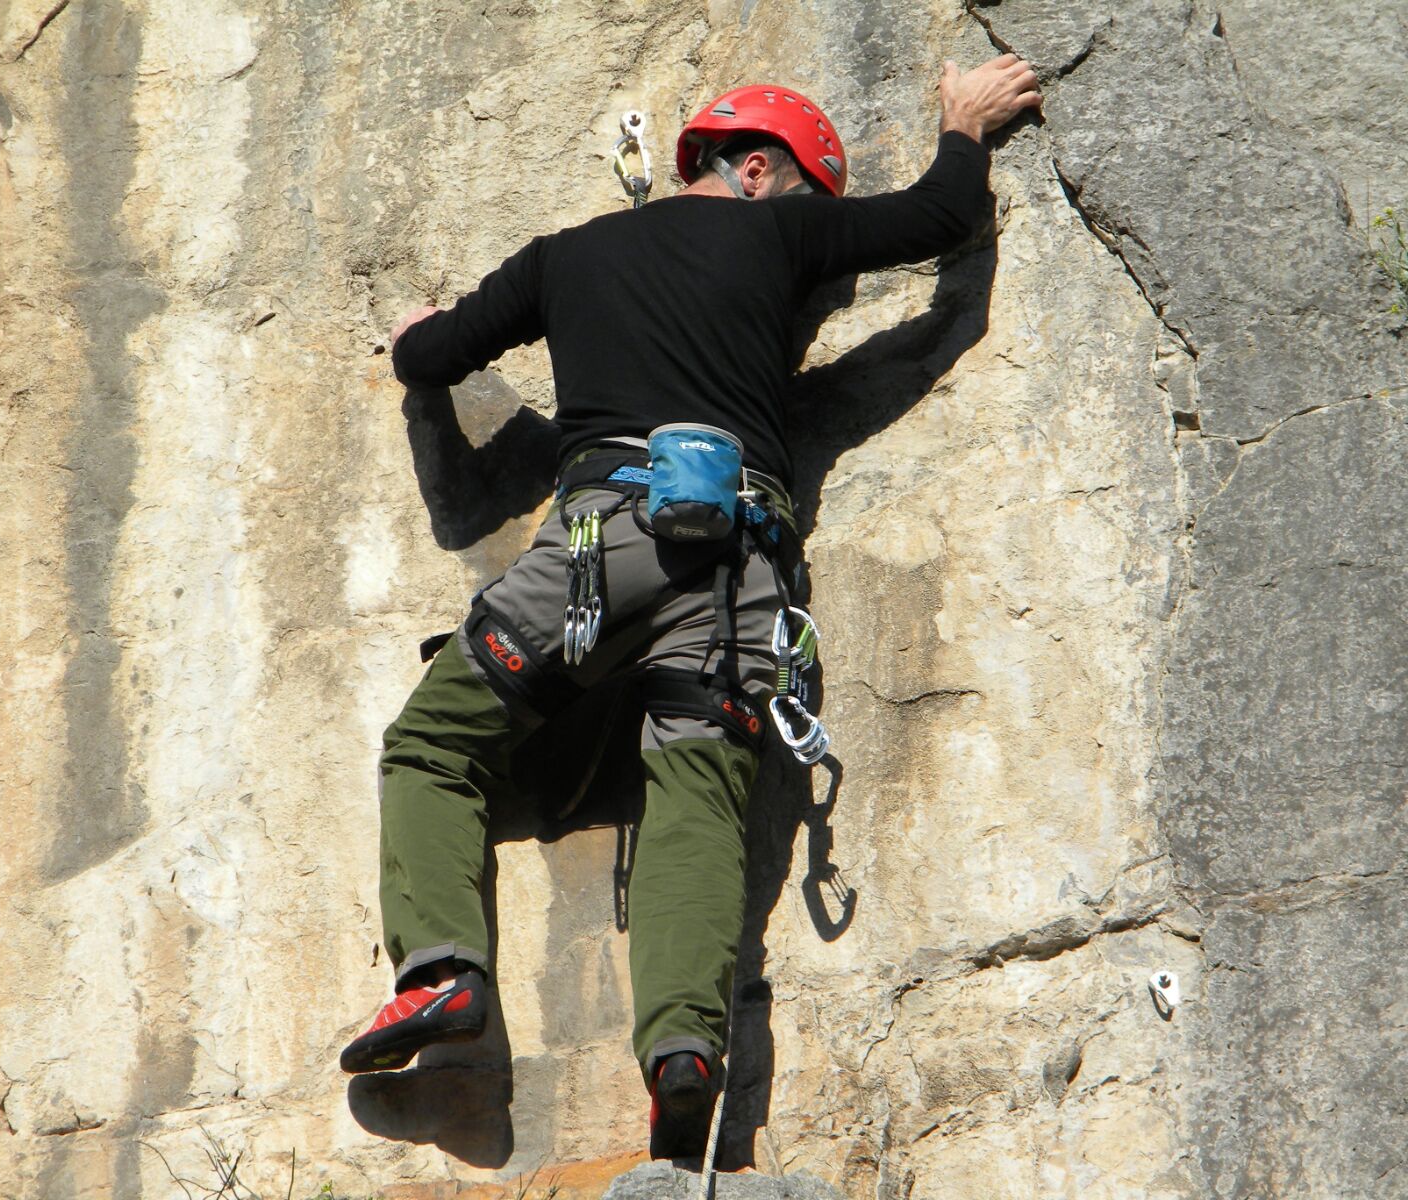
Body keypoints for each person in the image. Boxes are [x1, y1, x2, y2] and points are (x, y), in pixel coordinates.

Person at [341, 56, 1042, 1161]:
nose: (817, 278)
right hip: (736, 569)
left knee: (431, 743)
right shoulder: (778, 235)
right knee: (696, 800)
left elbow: (426, 357)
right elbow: (943, 219)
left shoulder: (564, 257)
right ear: (760, 172)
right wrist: (964, 126)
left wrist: (422, 329)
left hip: (592, 554)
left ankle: (442, 979)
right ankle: (683, 1055)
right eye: (809, 203)